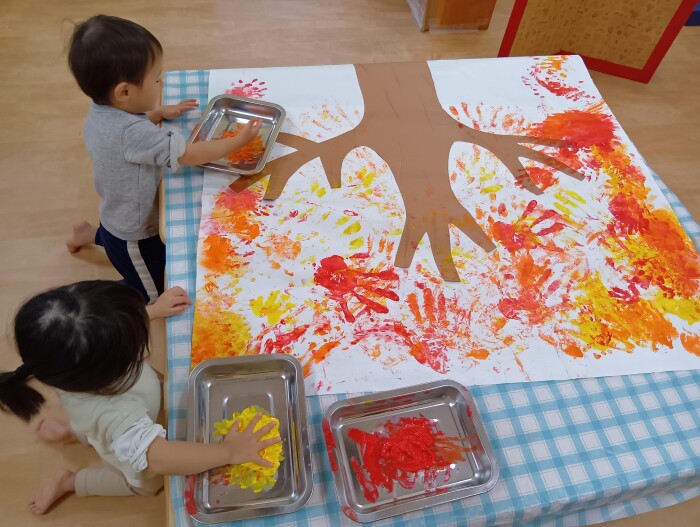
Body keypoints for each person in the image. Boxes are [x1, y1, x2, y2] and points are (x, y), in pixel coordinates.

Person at [0, 281, 279, 514]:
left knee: (94, 426)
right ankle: (71, 481)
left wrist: (153, 310)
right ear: (108, 367)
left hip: (119, 414)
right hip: (130, 452)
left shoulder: (63, 362)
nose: (141, 337)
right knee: (142, 484)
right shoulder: (116, 417)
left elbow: (107, 325)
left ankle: (75, 432)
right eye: (134, 338)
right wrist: (229, 452)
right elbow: (159, 459)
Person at [64, 15, 261, 303]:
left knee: (113, 236)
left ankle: (87, 233)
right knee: (151, 286)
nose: (162, 82)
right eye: (156, 79)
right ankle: (137, 298)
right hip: (135, 232)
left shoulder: (102, 110)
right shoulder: (134, 134)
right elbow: (188, 154)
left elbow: (126, 127)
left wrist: (156, 113)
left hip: (115, 211)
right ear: (125, 91)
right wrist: (237, 142)